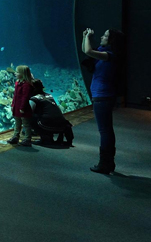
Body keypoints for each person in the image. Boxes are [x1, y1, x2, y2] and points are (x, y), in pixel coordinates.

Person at [82, 27, 126, 174]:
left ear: (111, 40)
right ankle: (107, 162)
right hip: (102, 96)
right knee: (106, 130)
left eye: (105, 35)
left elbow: (88, 52)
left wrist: (88, 37)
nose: (102, 36)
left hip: (103, 96)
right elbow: (85, 50)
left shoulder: (110, 55)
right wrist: (85, 37)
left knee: (105, 130)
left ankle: (105, 163)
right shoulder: (104, 52)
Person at [29, 80, 74, 146]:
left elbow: (29, 111)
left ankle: (45, 137)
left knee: (30, 117)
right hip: (62, 124)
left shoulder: (34, 99)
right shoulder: (49, 95)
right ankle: (48, 135)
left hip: (47, 124)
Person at [6, 65, 36, 147]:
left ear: (23, 74)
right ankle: (15, 137)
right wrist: (13, 105)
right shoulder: (17, 83)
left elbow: (25, 97)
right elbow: (15, 96)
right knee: (17, 123)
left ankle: (27, 139)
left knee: (26, 124)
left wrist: (22, 108)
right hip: (16, 107)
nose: (15, 73)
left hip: (23, 108)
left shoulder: (26, 84)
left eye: (17, 72)